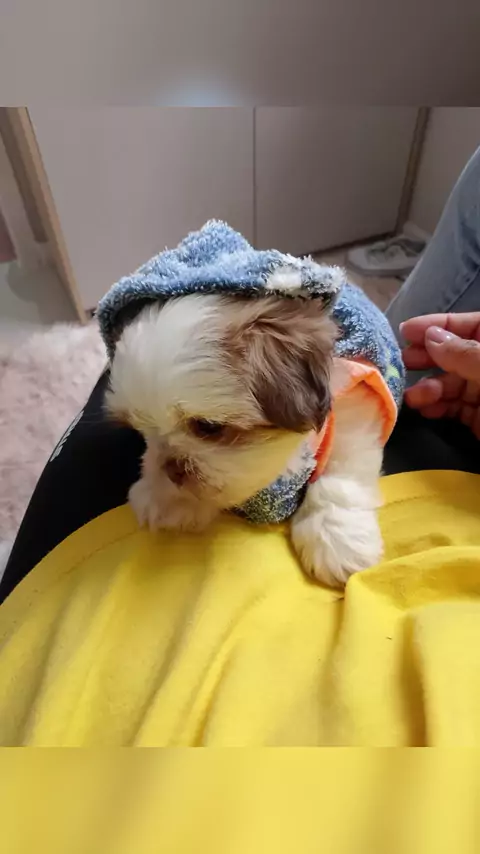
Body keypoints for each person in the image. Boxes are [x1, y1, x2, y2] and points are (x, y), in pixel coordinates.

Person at [0, 149, 480, 748]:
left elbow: (355, 428)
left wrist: (338, 499)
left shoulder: (337, 382)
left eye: (208, 428)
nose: (169, 462)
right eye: (145, 433)